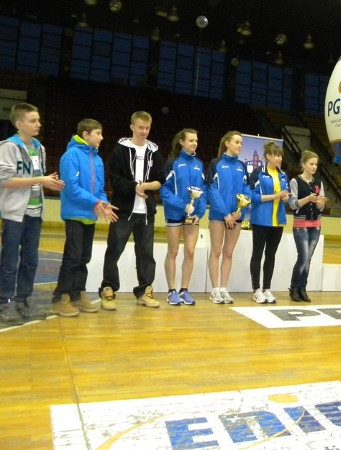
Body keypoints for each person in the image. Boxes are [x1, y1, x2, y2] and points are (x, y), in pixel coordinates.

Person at [0, 103, 65, 325]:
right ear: (19, 124)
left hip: (35, 213)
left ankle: (23, 302)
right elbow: (6, 181)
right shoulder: (9, 148)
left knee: (30, 261)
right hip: (15, 215)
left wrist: (48, 183)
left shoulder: (39, 147)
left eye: (38, 120)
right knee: (9, 261)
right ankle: (5, 305)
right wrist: (40, 180)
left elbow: (33, 178)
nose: (39, 124)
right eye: (33, 120)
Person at [50, 119, 119, 317]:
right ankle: (60, 297)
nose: (102, 137)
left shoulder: (97, 159)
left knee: (83, 258)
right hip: (74, 214)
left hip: (90, 214)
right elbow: (71, 188)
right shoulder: (70, 156)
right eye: (98, 133)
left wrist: (103, 202)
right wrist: (96, 203)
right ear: (86, 134)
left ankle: (77, 295)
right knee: (72, 257)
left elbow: (99, 188)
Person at [99, 111, 165, 311]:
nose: (144, 131)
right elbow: (114, 178)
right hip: (123, 210)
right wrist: (134, 186)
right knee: (114, 250)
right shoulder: (120, 150)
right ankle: (108, 288)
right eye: (140, 127)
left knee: (146, 254)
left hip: (146, 212)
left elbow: (160, 180)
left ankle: (144, 290)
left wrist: (146, 186)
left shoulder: (154, 152)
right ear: (132, 127)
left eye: (147, 128)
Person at [160, 128, 207, 306]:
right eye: (191, 140)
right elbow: (164, 190)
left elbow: (202, 191)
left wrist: (198, 213)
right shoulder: (172, 162)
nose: (194, 143)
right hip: (174, 213)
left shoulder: (199, 164)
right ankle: (172, 290)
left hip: (192, 216)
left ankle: (184, 290)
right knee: (173, 251)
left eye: (196, 140)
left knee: (190, 251)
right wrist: (183, 206)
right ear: (181, 142)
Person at [206, 130, 251, 304]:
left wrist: (242, 208)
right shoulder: (215, 163)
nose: (239, 145)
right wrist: (225, 213)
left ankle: (224, 289)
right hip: (219, 215)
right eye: (237, 142)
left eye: (241, 143)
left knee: (229, 253)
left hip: (236, 216)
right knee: (216, 251)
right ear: (227, 143)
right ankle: (214, 290)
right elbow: (212, 189)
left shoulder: (241, 166)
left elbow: (246, 190)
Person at [248, 142, 290, 304]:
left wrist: (285, 198)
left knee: (271, 255)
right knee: (257, 254)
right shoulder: (258, 173)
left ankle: (266, 288)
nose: (280, 158)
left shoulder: (283, 175)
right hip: (260, 220)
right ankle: (256, 289)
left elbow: (284, 198)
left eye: (280, 155)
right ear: (268, 156)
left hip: (277, 221)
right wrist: (276, 196)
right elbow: (254, 197)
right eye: (277, 155)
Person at [288, 150, 328, 302]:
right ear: (303, 164)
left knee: (308, 258)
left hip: (315, 224)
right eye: (311, 164)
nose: (314, 167)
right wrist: (307, 199)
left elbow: (321, 208)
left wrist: (319, 203)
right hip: (301, 224)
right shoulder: (295, 181)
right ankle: (294, 287)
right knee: (303, 257)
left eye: (316, 164)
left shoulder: (319, 183)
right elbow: (292, 204)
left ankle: (302, 287)